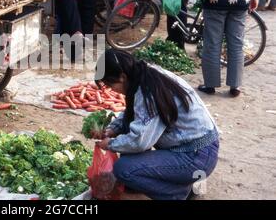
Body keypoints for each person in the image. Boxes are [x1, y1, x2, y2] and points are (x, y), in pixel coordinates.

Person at [94, 49, 219, 200]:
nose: (111, 90)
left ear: (122, 77)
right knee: (127, 134)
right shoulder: (144, 73)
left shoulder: (148, 90)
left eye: (109, 84)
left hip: (196, 155)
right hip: (196, 150)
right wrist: (113, 129)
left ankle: (177, 193)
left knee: (123, 169)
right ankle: (180, 184)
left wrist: (110, 144)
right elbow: (134, 113)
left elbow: (139, 142)